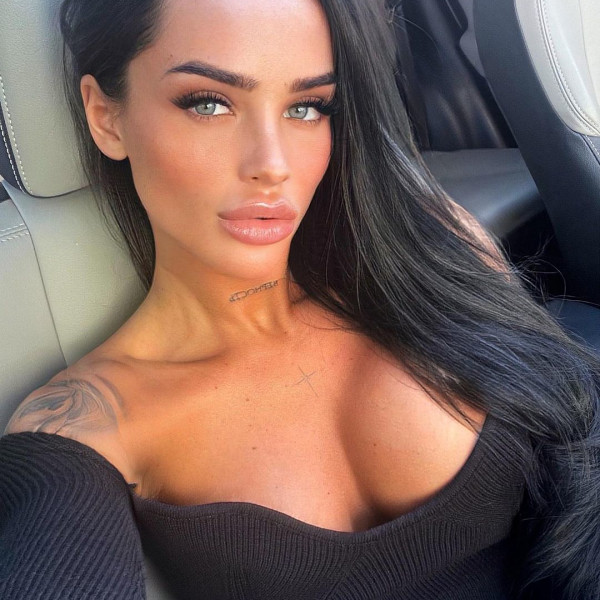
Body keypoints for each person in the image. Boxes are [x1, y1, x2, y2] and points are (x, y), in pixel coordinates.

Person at [0, 0, 599, 598]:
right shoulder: (83, 424)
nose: (273, 165)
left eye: (307, 107)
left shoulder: (433, 249)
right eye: (208, 103)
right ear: (106, 117)